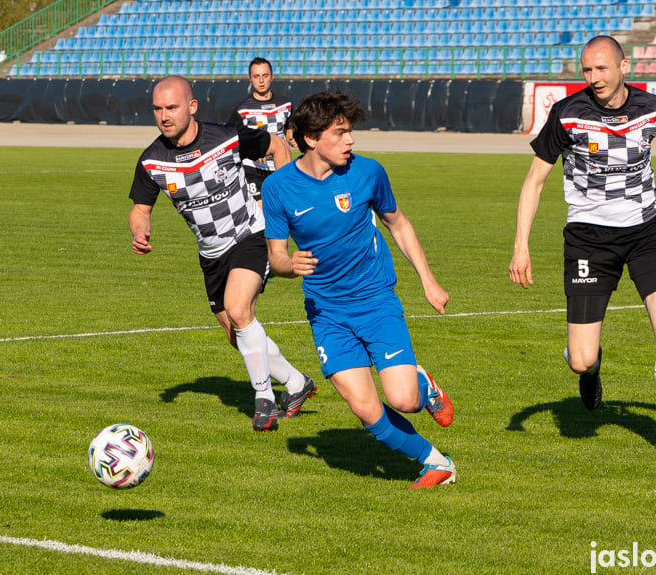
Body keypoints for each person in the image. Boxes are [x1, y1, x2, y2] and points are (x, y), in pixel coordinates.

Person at [508, 36, 656, 460]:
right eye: (587, 71)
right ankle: (592, 371)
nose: (594, 78)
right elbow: (534, 181)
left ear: (624, 65)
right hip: (589, 237)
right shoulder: (568, 113)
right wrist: (521, 246)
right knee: (580, 359)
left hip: (648, 232)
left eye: (602, 69)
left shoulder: (654, 109)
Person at [262, 91, 456, 489]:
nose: (350, 141)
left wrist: (428, 280)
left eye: (350, 131)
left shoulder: (368, 172)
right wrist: (289, 267)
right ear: (311, 138)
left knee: (403, 401)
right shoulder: (278, 188)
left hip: (375, 299)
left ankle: (422, 384)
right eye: (340, 133)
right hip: (326, 311)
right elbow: (277, 257)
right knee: (366, 410)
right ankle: (437, 463)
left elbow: (398, 223)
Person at [128, 75, 314, 432]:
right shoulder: (152, 161)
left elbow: (276, 146)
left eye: (172, 107)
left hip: (249, 234)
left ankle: (264, 401)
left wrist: (284, 198)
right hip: (211, 254)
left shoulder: (228, 136)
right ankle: (296, 383)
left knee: (239, 309)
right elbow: (140, 208)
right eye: (158, 109)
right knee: (236, 332)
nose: (164, 116)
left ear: (192, 107)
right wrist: (140, 230)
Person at [228, 57, 293, 205]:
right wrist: (252, 151)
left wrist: (291, 135)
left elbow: (289, 126)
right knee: (261, 211)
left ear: (272, 76)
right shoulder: (241, 110)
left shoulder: (286, 104)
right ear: (250, 79)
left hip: (280, 168)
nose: (261, 80)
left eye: (265, 75)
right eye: (257, 76)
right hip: (254, 169)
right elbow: (232, 142)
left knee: (284, 209)